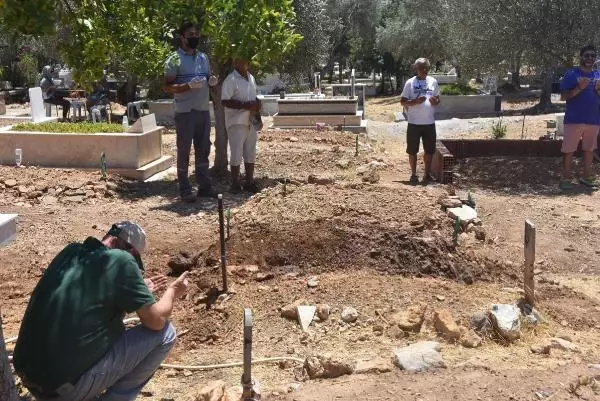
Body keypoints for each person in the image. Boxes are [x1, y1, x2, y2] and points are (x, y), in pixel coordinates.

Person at [13, 221, 189, 401]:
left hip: (30, 376)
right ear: (131, 251)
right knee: (166, 334)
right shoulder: (122, 260)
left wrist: (134, 292)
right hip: (62, 389)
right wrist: (172, 292)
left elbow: (86, 296)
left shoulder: (71, 252)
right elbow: (156, 321)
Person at [164, 22, 218, 202]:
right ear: (182, 37)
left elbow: (208, 77)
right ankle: (185, 189)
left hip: (203, 110)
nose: (195, 37)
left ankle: (204, 186)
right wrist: (187, 86)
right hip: (185, 112)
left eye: (197, 33)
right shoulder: (174, 60)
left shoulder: (203, 57)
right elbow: (167, 87)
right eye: (191, 34)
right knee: (184, 151)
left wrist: (212, 80)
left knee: (203, 150)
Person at [559, 44, 600, 189]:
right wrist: (579, 88)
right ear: (581, 57)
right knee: (569, 150)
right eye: (587, 55)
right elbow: (563, 97)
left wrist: (598, 90)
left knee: (589, 149)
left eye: (593, 56)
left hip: (594, 120)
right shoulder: (572, 74)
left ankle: (587, 177)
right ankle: (566, 178)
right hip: (574, 119)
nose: (590, 58)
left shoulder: (598, 75)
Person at [221, 57, 261, 193]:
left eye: (247, 60)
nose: (246, 62)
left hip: (250, 120)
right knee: (236, 153)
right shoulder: (230, 80)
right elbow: (225, 101)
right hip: (236, 122)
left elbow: (253, 97)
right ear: (236, 62)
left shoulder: (251, 78)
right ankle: (235, 184)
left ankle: (249, 182)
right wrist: (244, 105)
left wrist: (257, 105)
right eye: (242, 60)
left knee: (250, 151)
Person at [400, 58, 441, 185]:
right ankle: (413, 174)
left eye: (426, 68)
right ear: (416, 69)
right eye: (421, 68)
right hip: (414, 123)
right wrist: (414, 102)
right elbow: (402, 101)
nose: (424, 70)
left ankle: (426, 174)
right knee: (412, 151)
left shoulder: (433, 82)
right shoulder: (410, 83)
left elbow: (438, 98)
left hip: (429, 122)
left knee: (429, 151)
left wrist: (436, 101)